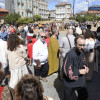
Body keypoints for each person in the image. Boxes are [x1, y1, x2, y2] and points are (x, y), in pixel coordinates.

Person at [62, 35, 89, 100]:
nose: (82, 47)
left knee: (84, 96)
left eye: (84, 45)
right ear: (75, 44)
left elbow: (83, 60)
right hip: (70, 82)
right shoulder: (70, 54)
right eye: (80, 45)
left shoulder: (81, 51)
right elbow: (66, 70)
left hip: (80, 80)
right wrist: (79, 71)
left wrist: (85, 66)